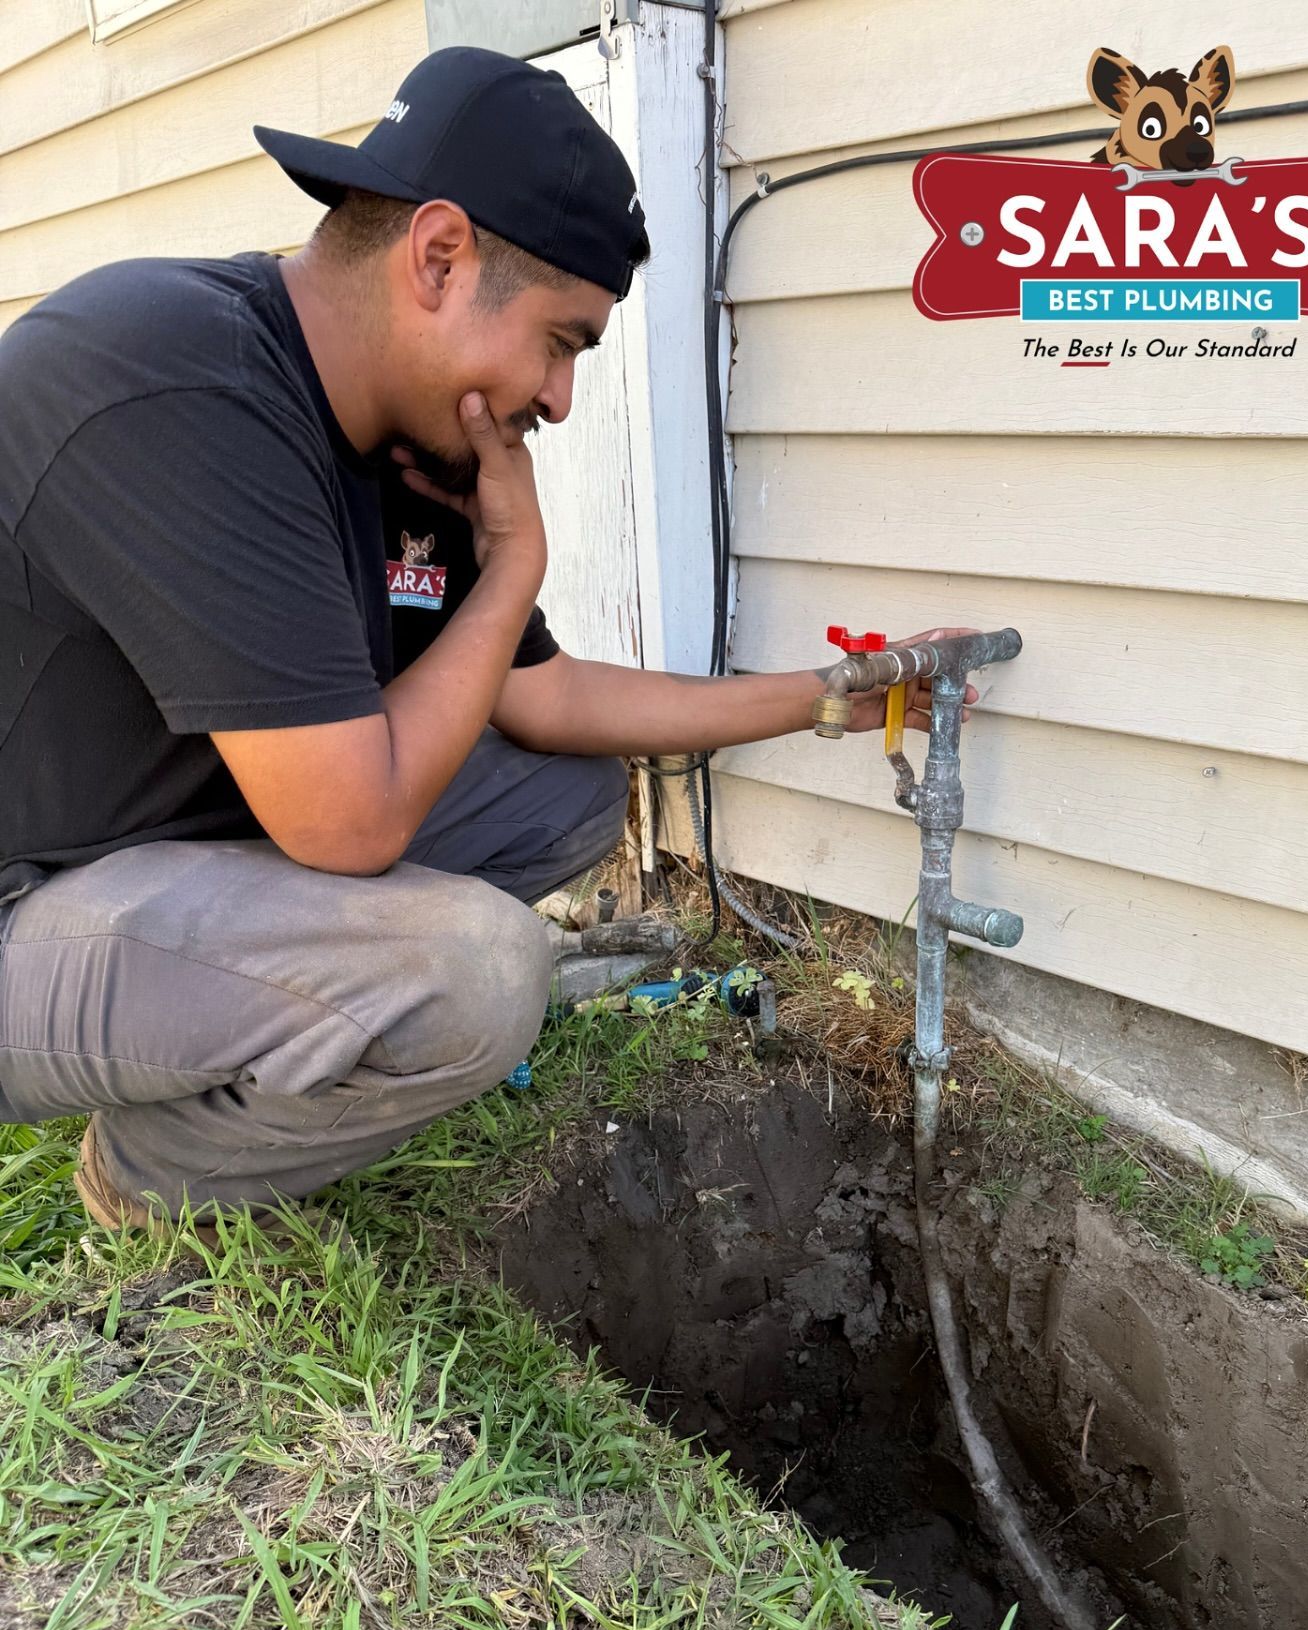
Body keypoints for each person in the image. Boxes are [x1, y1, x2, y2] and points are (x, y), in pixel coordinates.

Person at [0, 45, 970, 1231]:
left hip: (164, 851)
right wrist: (513, 565)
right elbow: (349, 826)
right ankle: (155, 1173)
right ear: (441, 257)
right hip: (30, 912)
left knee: (559, 799)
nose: (559, 398)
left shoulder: (408, 441)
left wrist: (834, 692)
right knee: (477, 970)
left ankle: (248, 1032)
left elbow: (546, 701)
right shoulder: (173, 379)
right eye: (563, 341)